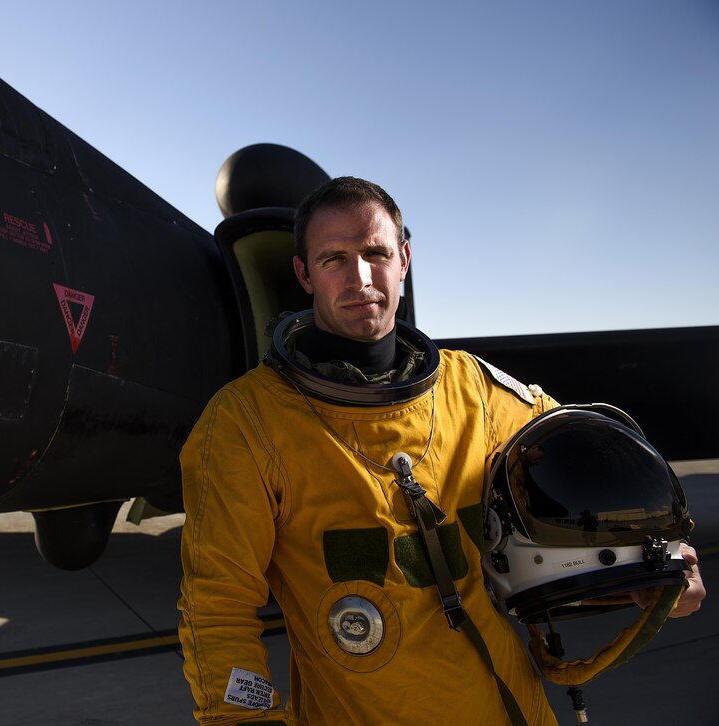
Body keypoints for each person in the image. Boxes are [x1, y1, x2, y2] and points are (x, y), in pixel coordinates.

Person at [176, 177, 705, 724]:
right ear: (304, 274)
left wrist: (658, 565)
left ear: (403, 259)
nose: (361, 279)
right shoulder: (245, 423)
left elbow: (592, 460)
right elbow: (217, 607)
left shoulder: (473, 389)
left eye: (376, 252)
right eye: (334, 259)